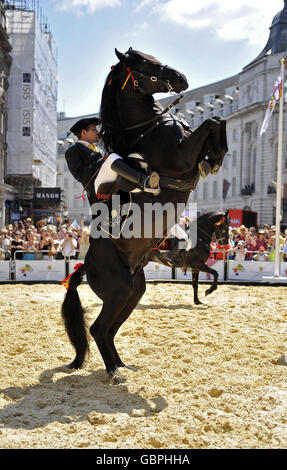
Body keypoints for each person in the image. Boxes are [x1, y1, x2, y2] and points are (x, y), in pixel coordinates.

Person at [64, 117, 160, 206]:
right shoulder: (73, 151)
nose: (97, 132)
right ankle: (145, 181)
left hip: (108, 181)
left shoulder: (99, 149)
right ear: (84, 133)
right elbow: (80, 175)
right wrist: (103, 160)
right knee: (112, 157)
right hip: (95, 188)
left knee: (129, 157)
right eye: (94, 130)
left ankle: (148, 185)